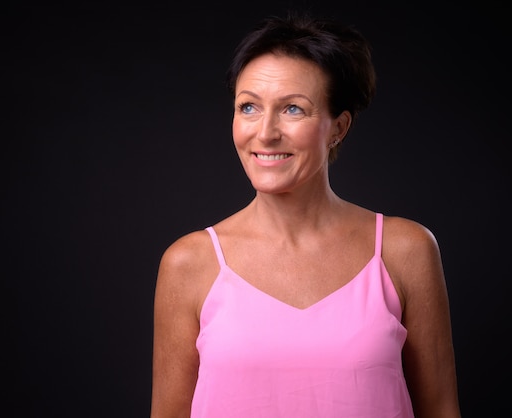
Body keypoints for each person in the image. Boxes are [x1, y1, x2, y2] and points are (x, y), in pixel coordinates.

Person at [150, 10, 461, 418]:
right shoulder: (188, 263)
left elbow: (440, 409)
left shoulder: (405, 251)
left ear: (338, 127)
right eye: (248, 107)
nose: (265, 133)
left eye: (293, 109)